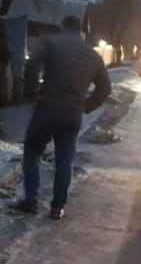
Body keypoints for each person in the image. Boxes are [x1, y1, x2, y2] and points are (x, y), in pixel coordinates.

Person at [13, 15, 111, 219]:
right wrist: (86, 106)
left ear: (62, 27)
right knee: (64, 160)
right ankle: (57, 207)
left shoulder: (51, 43)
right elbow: (105, 88)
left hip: (47, 109)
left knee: (32, 151)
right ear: (81, 31)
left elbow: (31, 66)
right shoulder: (93, 56)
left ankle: (31, 200)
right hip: (72, 115)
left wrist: (31, 94)